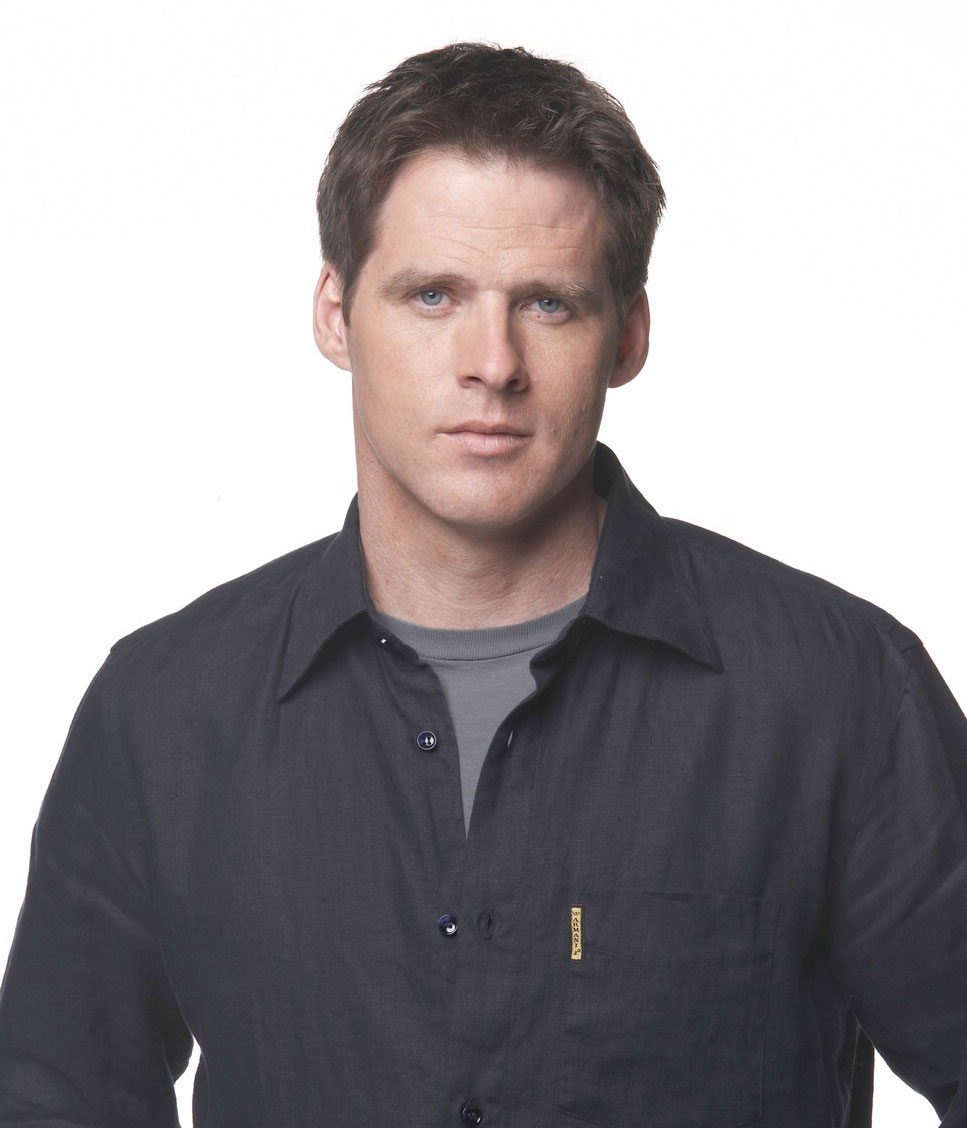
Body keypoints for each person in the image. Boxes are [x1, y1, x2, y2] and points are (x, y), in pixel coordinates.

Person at [0, 40, 964, 1128]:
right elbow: (54, 1101)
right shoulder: (163, 712)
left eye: (547, 303)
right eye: (432, 295)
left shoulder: (838, 695)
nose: (492, 363)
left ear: (627, 334)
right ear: (334, 315)